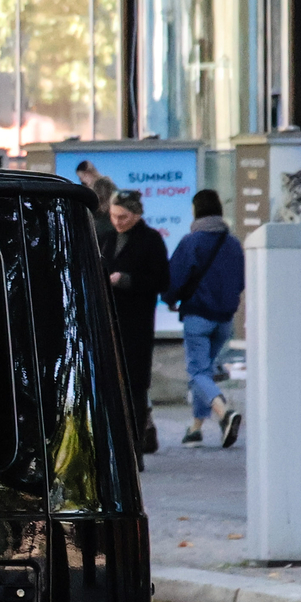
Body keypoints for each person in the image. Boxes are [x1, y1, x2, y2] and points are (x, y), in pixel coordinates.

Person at [166, 188, 244, 448]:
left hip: (198, 315)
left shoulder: (192, 242)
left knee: (197, 372)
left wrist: (170, 299)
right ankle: (196, 428)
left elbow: (174, 277)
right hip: (224, 319)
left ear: (195, 210)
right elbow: (240, 280)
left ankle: (224, 413)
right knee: (205, 371)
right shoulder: (233, 243)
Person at [102, 189, 169, 458]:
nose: (117, 221)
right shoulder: (107, 238)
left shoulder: (151, 240)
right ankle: (115, 445)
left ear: (137, 215)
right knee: (110, 385)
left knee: (135, 387)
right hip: (109, 322)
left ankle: (134, 448)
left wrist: (127, 280)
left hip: (137, 324)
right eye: (113, 216)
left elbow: (161, 281)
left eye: (123, 217)